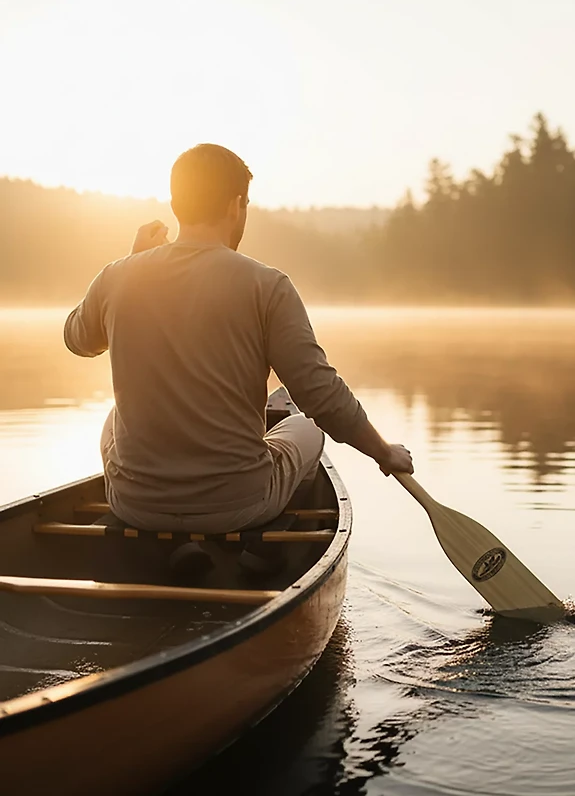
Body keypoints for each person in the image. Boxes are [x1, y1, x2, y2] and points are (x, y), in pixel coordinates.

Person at [64, 143, 413, 534]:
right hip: (238, 505)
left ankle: (170, 543)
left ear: (177, 204)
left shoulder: (118, 275)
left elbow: (78, 340)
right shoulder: (268, 286)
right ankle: (268, 544)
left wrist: (128, 263)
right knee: (309, 427)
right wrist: (384, 452)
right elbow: (321, 396)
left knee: (114, 418)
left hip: (136, 506)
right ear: (235, 206)